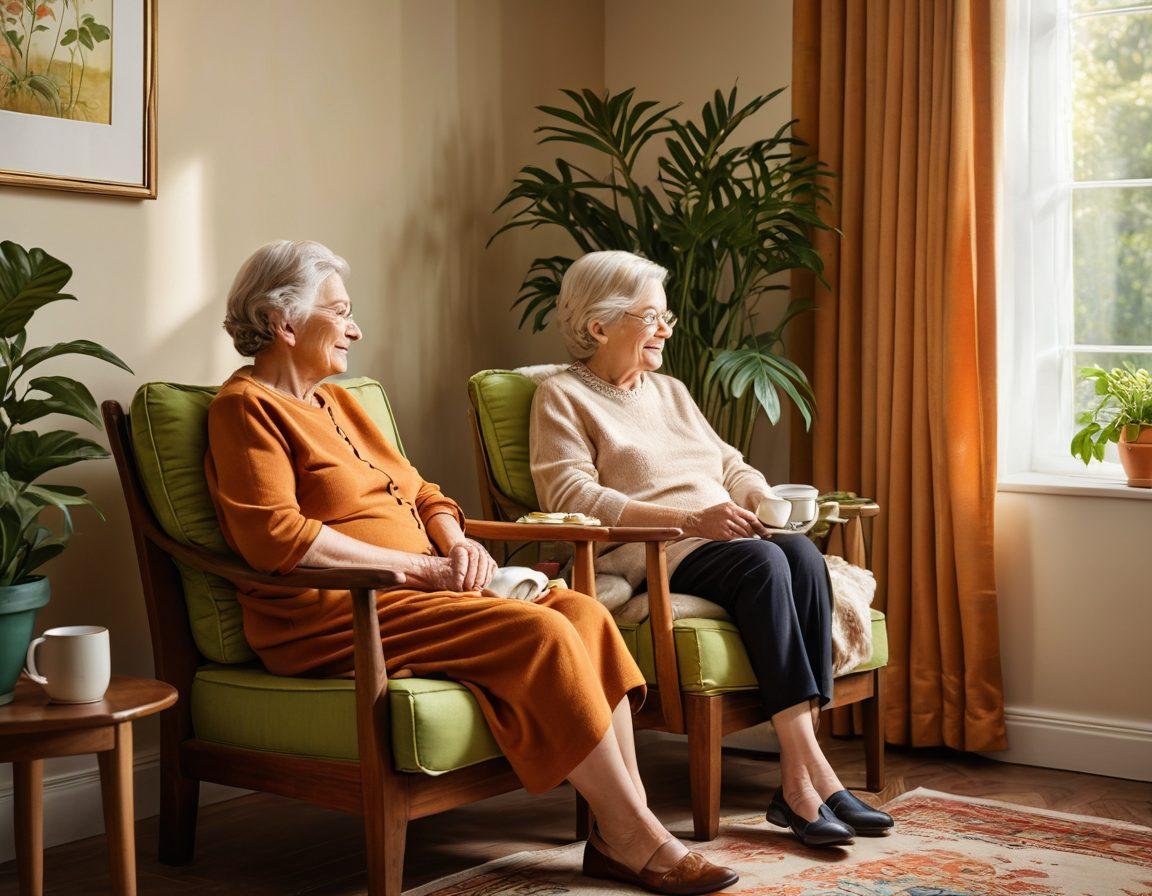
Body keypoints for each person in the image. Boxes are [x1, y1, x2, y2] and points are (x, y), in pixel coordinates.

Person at [204, 240, 737, 895]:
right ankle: (640, 836)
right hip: (334, 613)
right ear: (285, 324)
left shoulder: (339, 402)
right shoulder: (245, 408)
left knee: (583, 612)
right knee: (539, 632)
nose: (356, 328)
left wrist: (453, 540)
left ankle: (613, 835)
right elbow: (276, 538)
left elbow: (425, 492)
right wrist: (417, 569)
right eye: (340, 312)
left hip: (415, 592)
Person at [529, 250, 894, 847]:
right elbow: (573, 494)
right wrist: (688, 517)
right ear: (599, 325)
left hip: (721, 534)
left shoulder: (670, 391)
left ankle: (800, 783)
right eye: (653, 317)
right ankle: (813, 779)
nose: (667, 329)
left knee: (797, 553)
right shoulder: (562, 397)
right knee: (764, 561)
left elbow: (729, 463)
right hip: (655, 550)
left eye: (666, 316)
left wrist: (764, 498)